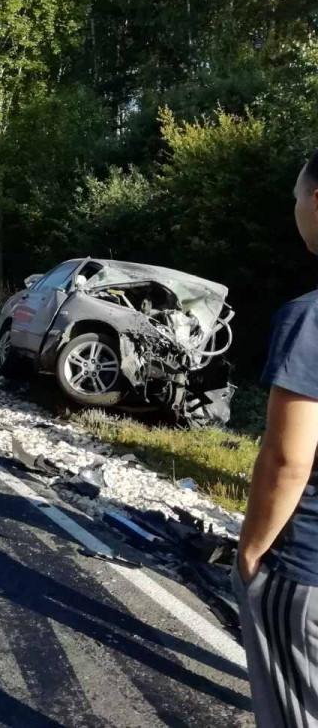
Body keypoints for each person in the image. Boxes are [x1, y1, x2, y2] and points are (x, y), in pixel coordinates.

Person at [235, 151, 318, 727]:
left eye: (294, 197)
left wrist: (252, 550)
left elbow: (289, 457)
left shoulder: (309, 319)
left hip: (307, 570)